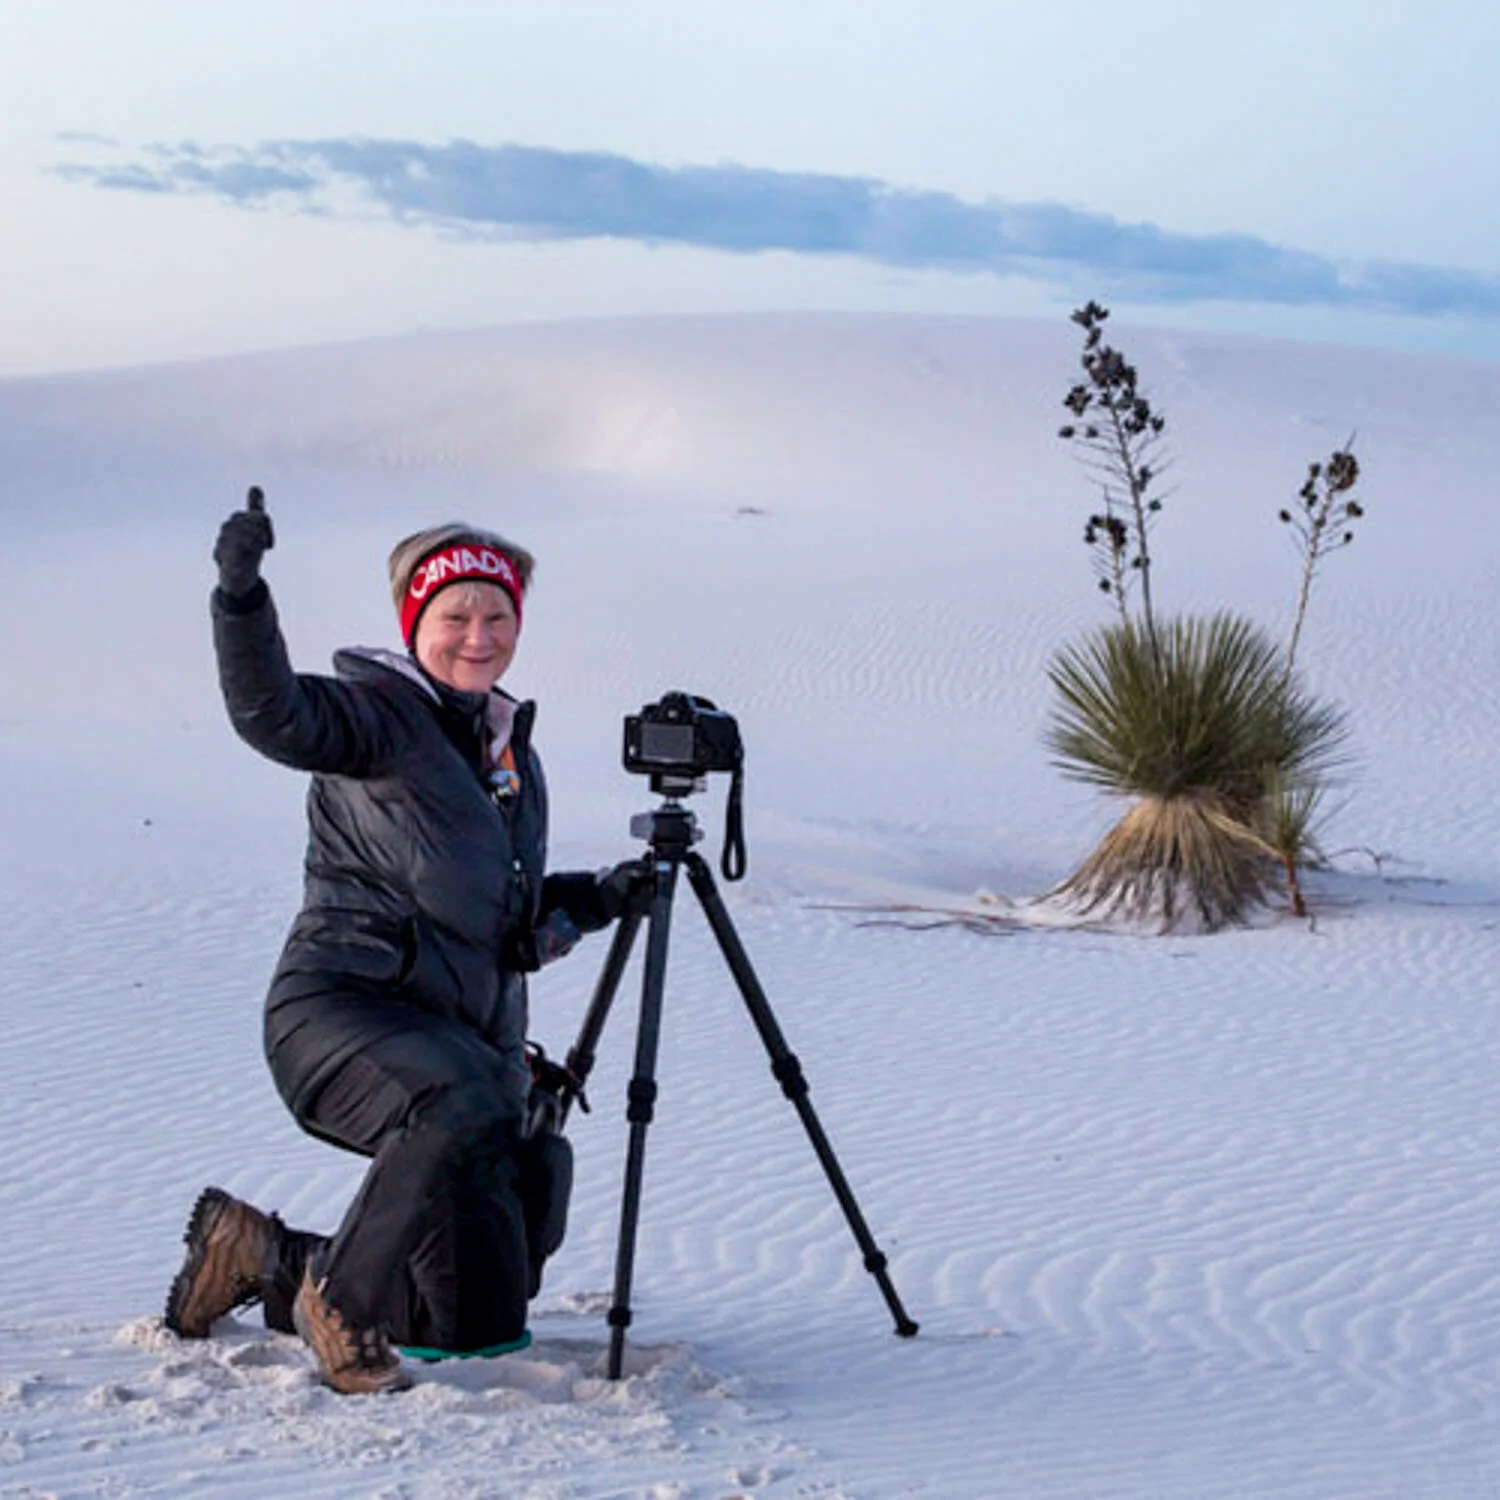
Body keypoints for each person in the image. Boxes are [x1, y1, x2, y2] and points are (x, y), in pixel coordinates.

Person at [163, 495, 646, 1394]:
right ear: (414, 622)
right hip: (344, 1011)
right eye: (456, 616)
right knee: (462, 1098)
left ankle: (262, 1256)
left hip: (458, 1048)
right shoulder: (372, 717)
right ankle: (338, 1306)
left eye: (497, 617)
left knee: (476, 1317)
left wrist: (595, 899)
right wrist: (241, 597)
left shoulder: (508, 753)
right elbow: (271, 713)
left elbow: (502, 924)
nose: (478, 636)